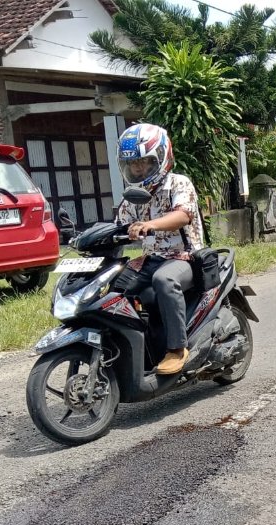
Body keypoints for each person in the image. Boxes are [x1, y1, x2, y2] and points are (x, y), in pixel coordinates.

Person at [115, 123, 202, 376]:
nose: (138, 168)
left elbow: (183, 215)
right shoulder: (134, 195)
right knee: (114, 285)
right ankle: (133, 346)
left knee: (163, 280)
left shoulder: (178, 183)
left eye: (144, 161)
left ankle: (177, 349)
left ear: (161, 157)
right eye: (133, 164)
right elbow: (119, 225)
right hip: (150, 258)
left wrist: (149, 225)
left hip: (184, 257)